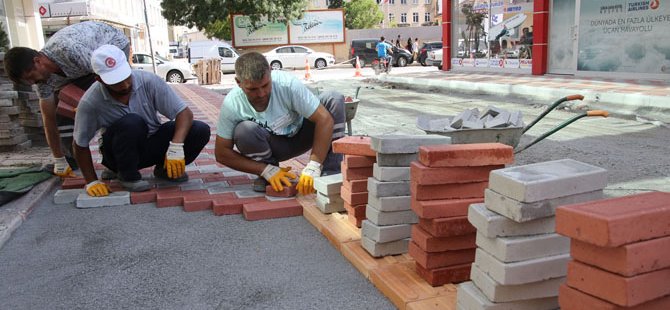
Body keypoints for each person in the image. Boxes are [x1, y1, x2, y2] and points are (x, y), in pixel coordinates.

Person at [73, 45, 210, 197]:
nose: (125, 85)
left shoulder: (148, 81)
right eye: (116, 82)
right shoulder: (90, 102)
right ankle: (126, 175)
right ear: (99, 79)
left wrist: (175, 147)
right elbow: (80, 143)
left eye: (126, 77)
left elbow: (184, 114)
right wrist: (91, 181)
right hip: (118, 153)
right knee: (133, 122)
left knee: (200, 129)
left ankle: (165, 169)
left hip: (149, 144)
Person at [3, 21, 130, 178]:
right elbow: (48, 118)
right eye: (27, 82)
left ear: (37, 61)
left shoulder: (69, 51)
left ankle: (117, 159)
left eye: (31, 77)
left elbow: (106, 80)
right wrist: (58, 159)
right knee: (62, 111)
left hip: (112, 43)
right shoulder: (42, 82)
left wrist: (90, 105)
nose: (32, 83)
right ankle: (73, 158)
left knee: (107, 101)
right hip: (81, 68)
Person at [214, 52, 345, 195]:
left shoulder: (286, 84)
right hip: (273, 147)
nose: (261, 93)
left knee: (334, 99)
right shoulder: (232, 104)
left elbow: (324, 119)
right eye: (252, 89)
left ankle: (330, 172)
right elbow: (221, 153)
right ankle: (271, 174)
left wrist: (314, 164)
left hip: (303, 135)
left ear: (270, 72)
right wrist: (264, 170)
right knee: (244, 131)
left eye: (265, 85)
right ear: (238, 82)